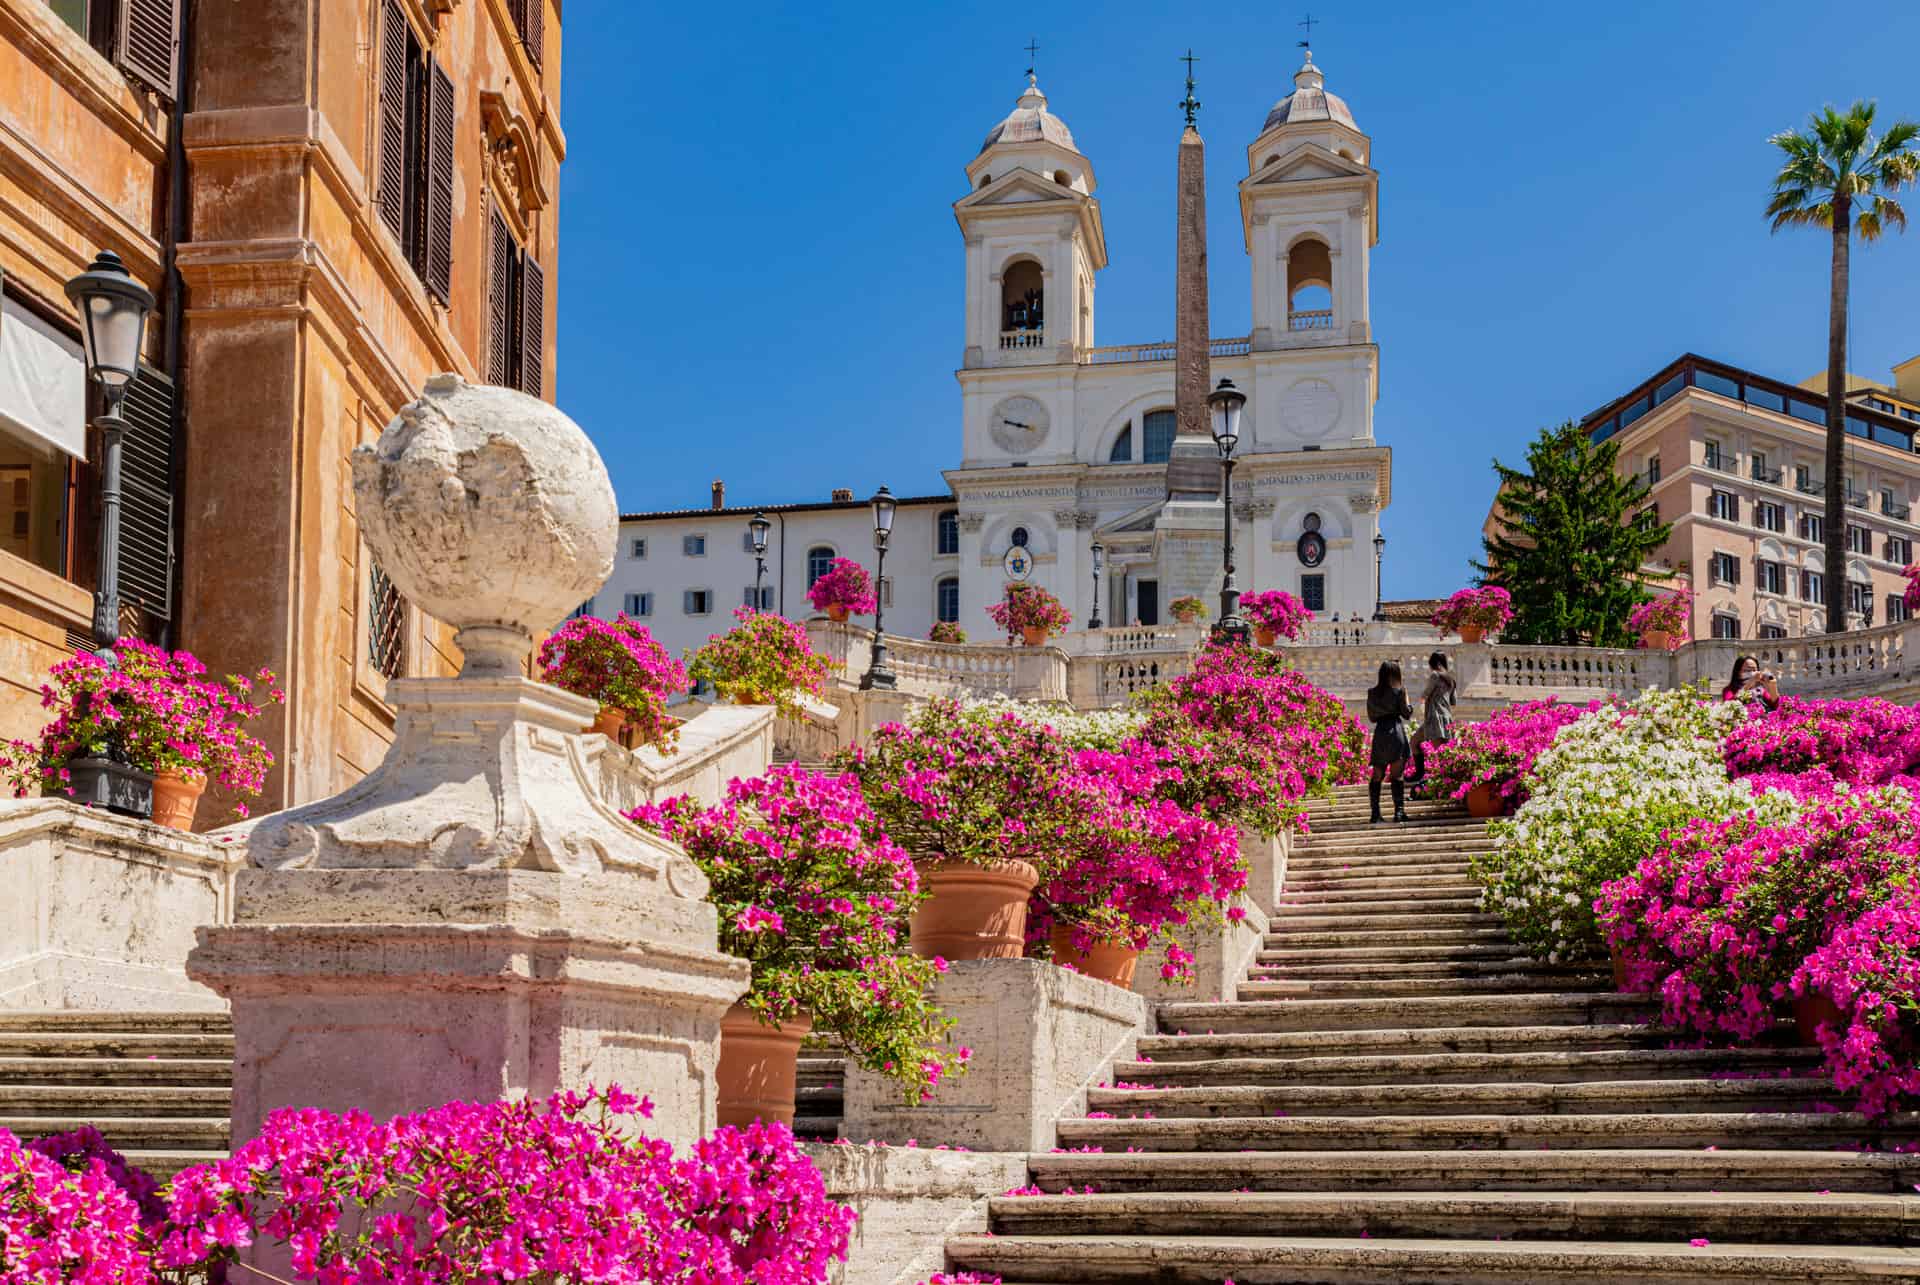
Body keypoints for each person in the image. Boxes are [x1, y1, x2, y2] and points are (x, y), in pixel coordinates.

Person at [1366, 660, 1414, 823]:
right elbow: (1407, 714)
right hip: (1395, 731)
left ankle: (1375, 814)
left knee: (1377, 774)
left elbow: (1372, 718)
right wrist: (1406, 697)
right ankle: (1399, 813)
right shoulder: (1399, 691)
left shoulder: (1372, 692)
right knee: (1397, 774)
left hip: (1380, 733)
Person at [1410, 652, 1456, 788]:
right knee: (1438, 749)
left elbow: (1426, 693)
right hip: (1446, 717)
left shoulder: (1435, 675)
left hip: (1434, 716)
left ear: (1433, 663)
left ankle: (1442, 780)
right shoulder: (1451, 680)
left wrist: (1417, 706)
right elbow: (1453, 701)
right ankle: (1421, 774)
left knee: (1432, 748)